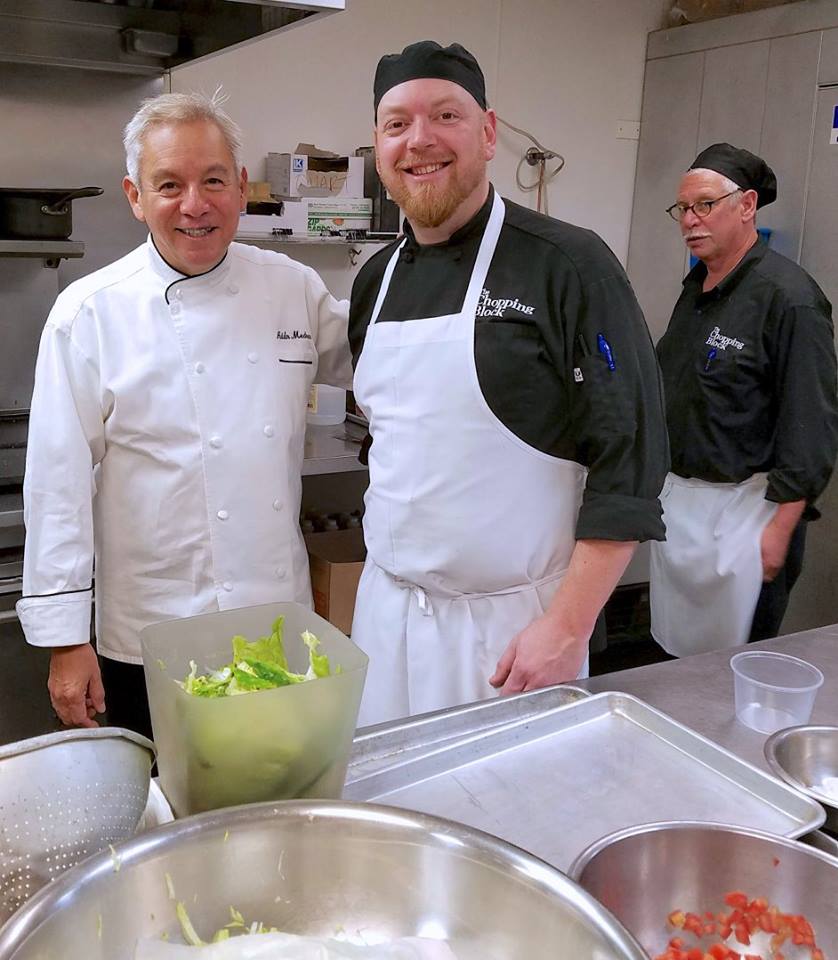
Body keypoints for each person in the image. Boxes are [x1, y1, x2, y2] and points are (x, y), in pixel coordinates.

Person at [348, 40, 669, 727]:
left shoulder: (568, 265)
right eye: (397, 123)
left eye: (446, 116)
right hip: (385, 619)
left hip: (514, 634)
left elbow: (632, 460)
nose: (420, 140)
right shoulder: (375, 281)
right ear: (377, 145)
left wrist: (566, 628)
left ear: (488, 132)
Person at [16, 91, 352, 737]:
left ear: (242, 187)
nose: (194, 204)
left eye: (214, 180)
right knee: (165, 810)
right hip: (151, 637)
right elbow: (57, 486)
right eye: (169, 184)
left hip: (274, 623)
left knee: (272, 796)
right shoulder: (90, 314)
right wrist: (64, 640)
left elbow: (381, 367)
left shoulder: (292, 288)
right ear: (135, 196)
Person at [651, 143, 838, 657]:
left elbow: (812, 424)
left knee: (732, 668)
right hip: (686, 508)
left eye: (705, 205)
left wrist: (780, 529)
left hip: (749, 514)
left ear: (748, 204)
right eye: (683, 209)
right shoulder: (695, 287)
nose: (690, 220)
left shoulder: (790, 299)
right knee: (676, 661)